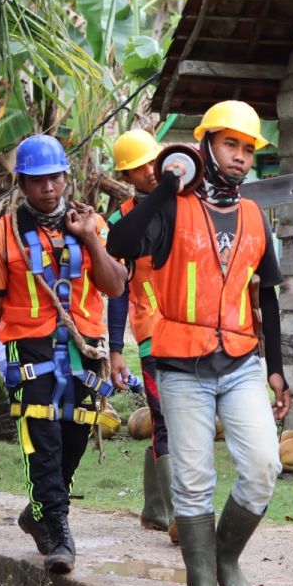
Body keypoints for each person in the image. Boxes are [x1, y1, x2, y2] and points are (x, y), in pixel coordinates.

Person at [107, 101, 290, 586]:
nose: (240, 157)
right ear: (206, 146)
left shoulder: (254, 215)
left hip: (240, 362)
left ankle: (227, 554)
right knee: (192, 478)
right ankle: (200, 585)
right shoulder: (171, 206)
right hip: (180, 365)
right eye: (230, 145)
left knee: (263, 464)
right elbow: (119, 244)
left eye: (248, 149)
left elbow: (269, 296)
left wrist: (275, 368)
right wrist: (166, 185)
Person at [0, 134, 127, 575]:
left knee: (74, 437)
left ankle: (38, 513)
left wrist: (89, 239)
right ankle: (58, 530)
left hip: (84, 347)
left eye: (55, 177)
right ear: (21, 182)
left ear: (66, 177)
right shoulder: (2, 235)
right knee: (44, 437)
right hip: (28, 345)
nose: (48, 188)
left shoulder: (94, 225)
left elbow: (115, 286)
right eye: (37, 180)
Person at [105, 129, 176, 542]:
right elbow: (117, 291)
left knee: (171, 418)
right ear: (126, 177)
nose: (149, 173)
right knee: (166, 419)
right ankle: (178, 516)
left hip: (193, 331)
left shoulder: (187, 206)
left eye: (152, 162)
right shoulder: (120, 222)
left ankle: (153, 506)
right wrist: (116, 350)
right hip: (151, 334)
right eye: (137, 169)